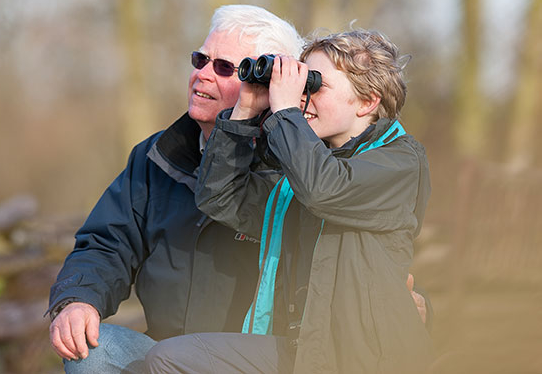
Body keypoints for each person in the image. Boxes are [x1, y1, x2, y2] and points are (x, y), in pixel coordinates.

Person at [48, 6, 430, 373]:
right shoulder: (156, 157)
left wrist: (284, 113)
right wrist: (78, 299)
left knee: (171, 359)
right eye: (201, 60)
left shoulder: (304, 165)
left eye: (227, 68)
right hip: (173, 350)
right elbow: (120, 237)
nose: (203, 75)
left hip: (261, 351)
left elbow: (368, 258)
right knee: (96, 352)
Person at [145, 29, 433, 373]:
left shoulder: (399, 162)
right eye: (300, 86)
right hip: (302, 348)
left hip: (360, 357)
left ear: (367, 102)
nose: (301, 99)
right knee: (171, 358)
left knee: (171, 360)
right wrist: (245, 110)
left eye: (314, 86)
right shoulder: (304, 167)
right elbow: (221, 198)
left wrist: (284, 112)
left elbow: (326, 190)